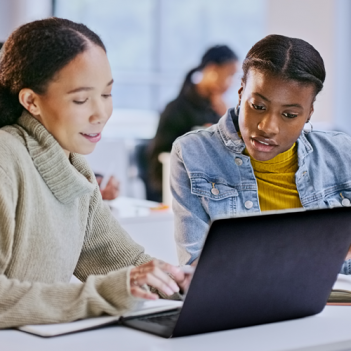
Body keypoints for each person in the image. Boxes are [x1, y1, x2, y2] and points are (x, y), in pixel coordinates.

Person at [0, 18, 190, 329]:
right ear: (31, 101)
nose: (100, 113)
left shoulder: (74, 164)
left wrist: (176, 280)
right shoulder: (5, 157)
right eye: (81, 99)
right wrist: (103, 295)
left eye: (106, 94)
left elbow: (119, 259)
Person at [171, 34, 351, 271]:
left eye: (289, 115)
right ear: (240, 93)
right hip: (242, 306)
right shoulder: (193, 153)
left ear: (309, 113)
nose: (267, 127)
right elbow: (194, 269)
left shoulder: (341, 153)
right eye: (258, 107)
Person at [147, 45, 239, 202]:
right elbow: (161, 156)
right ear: (212, 70)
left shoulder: (217, 108)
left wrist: (226, 117)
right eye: (229, 75)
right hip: (173, 186)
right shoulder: (177, 109)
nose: (230, 83)